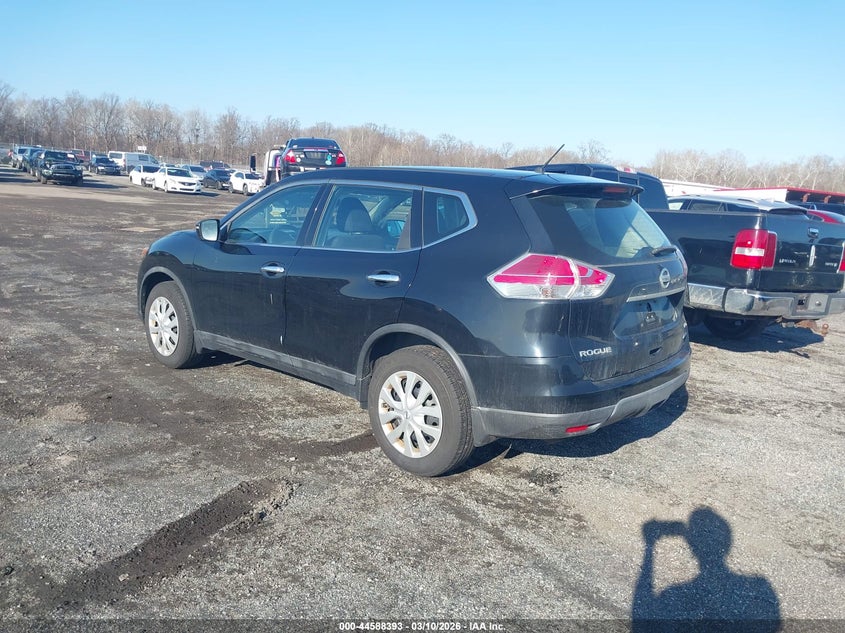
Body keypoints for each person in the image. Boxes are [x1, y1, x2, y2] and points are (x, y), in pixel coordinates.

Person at [632, 507, 780, 632]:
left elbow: (641, 622)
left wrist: (650, 545)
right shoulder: (760, 587)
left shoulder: (675, 595)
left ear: (691, 546)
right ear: (728, 544)